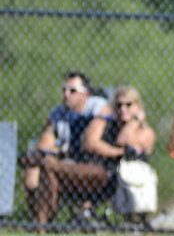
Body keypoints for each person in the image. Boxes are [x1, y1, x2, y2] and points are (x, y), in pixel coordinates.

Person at [20, 71, 112, 227]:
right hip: (64, 165)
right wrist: (53, 150)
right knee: (36, 166)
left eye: (72, 91)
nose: (66, 94)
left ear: (86, 94)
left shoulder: (98, 106)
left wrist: (56, 150)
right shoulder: (59, 112)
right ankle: (38, 222)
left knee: (48, 164)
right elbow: (43, 145)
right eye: (64, 90)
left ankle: (41, 225)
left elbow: (89, 142)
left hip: (94, 167)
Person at [82, 86, 156, 170]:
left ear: (137, 106)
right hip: (103, 171)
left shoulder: (146, 132)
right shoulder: (105, 123)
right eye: (119, 105)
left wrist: (135, 120)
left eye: (128, 105)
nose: (123, 109)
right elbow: (90, 143)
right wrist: (118, 152)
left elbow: (122, 141)